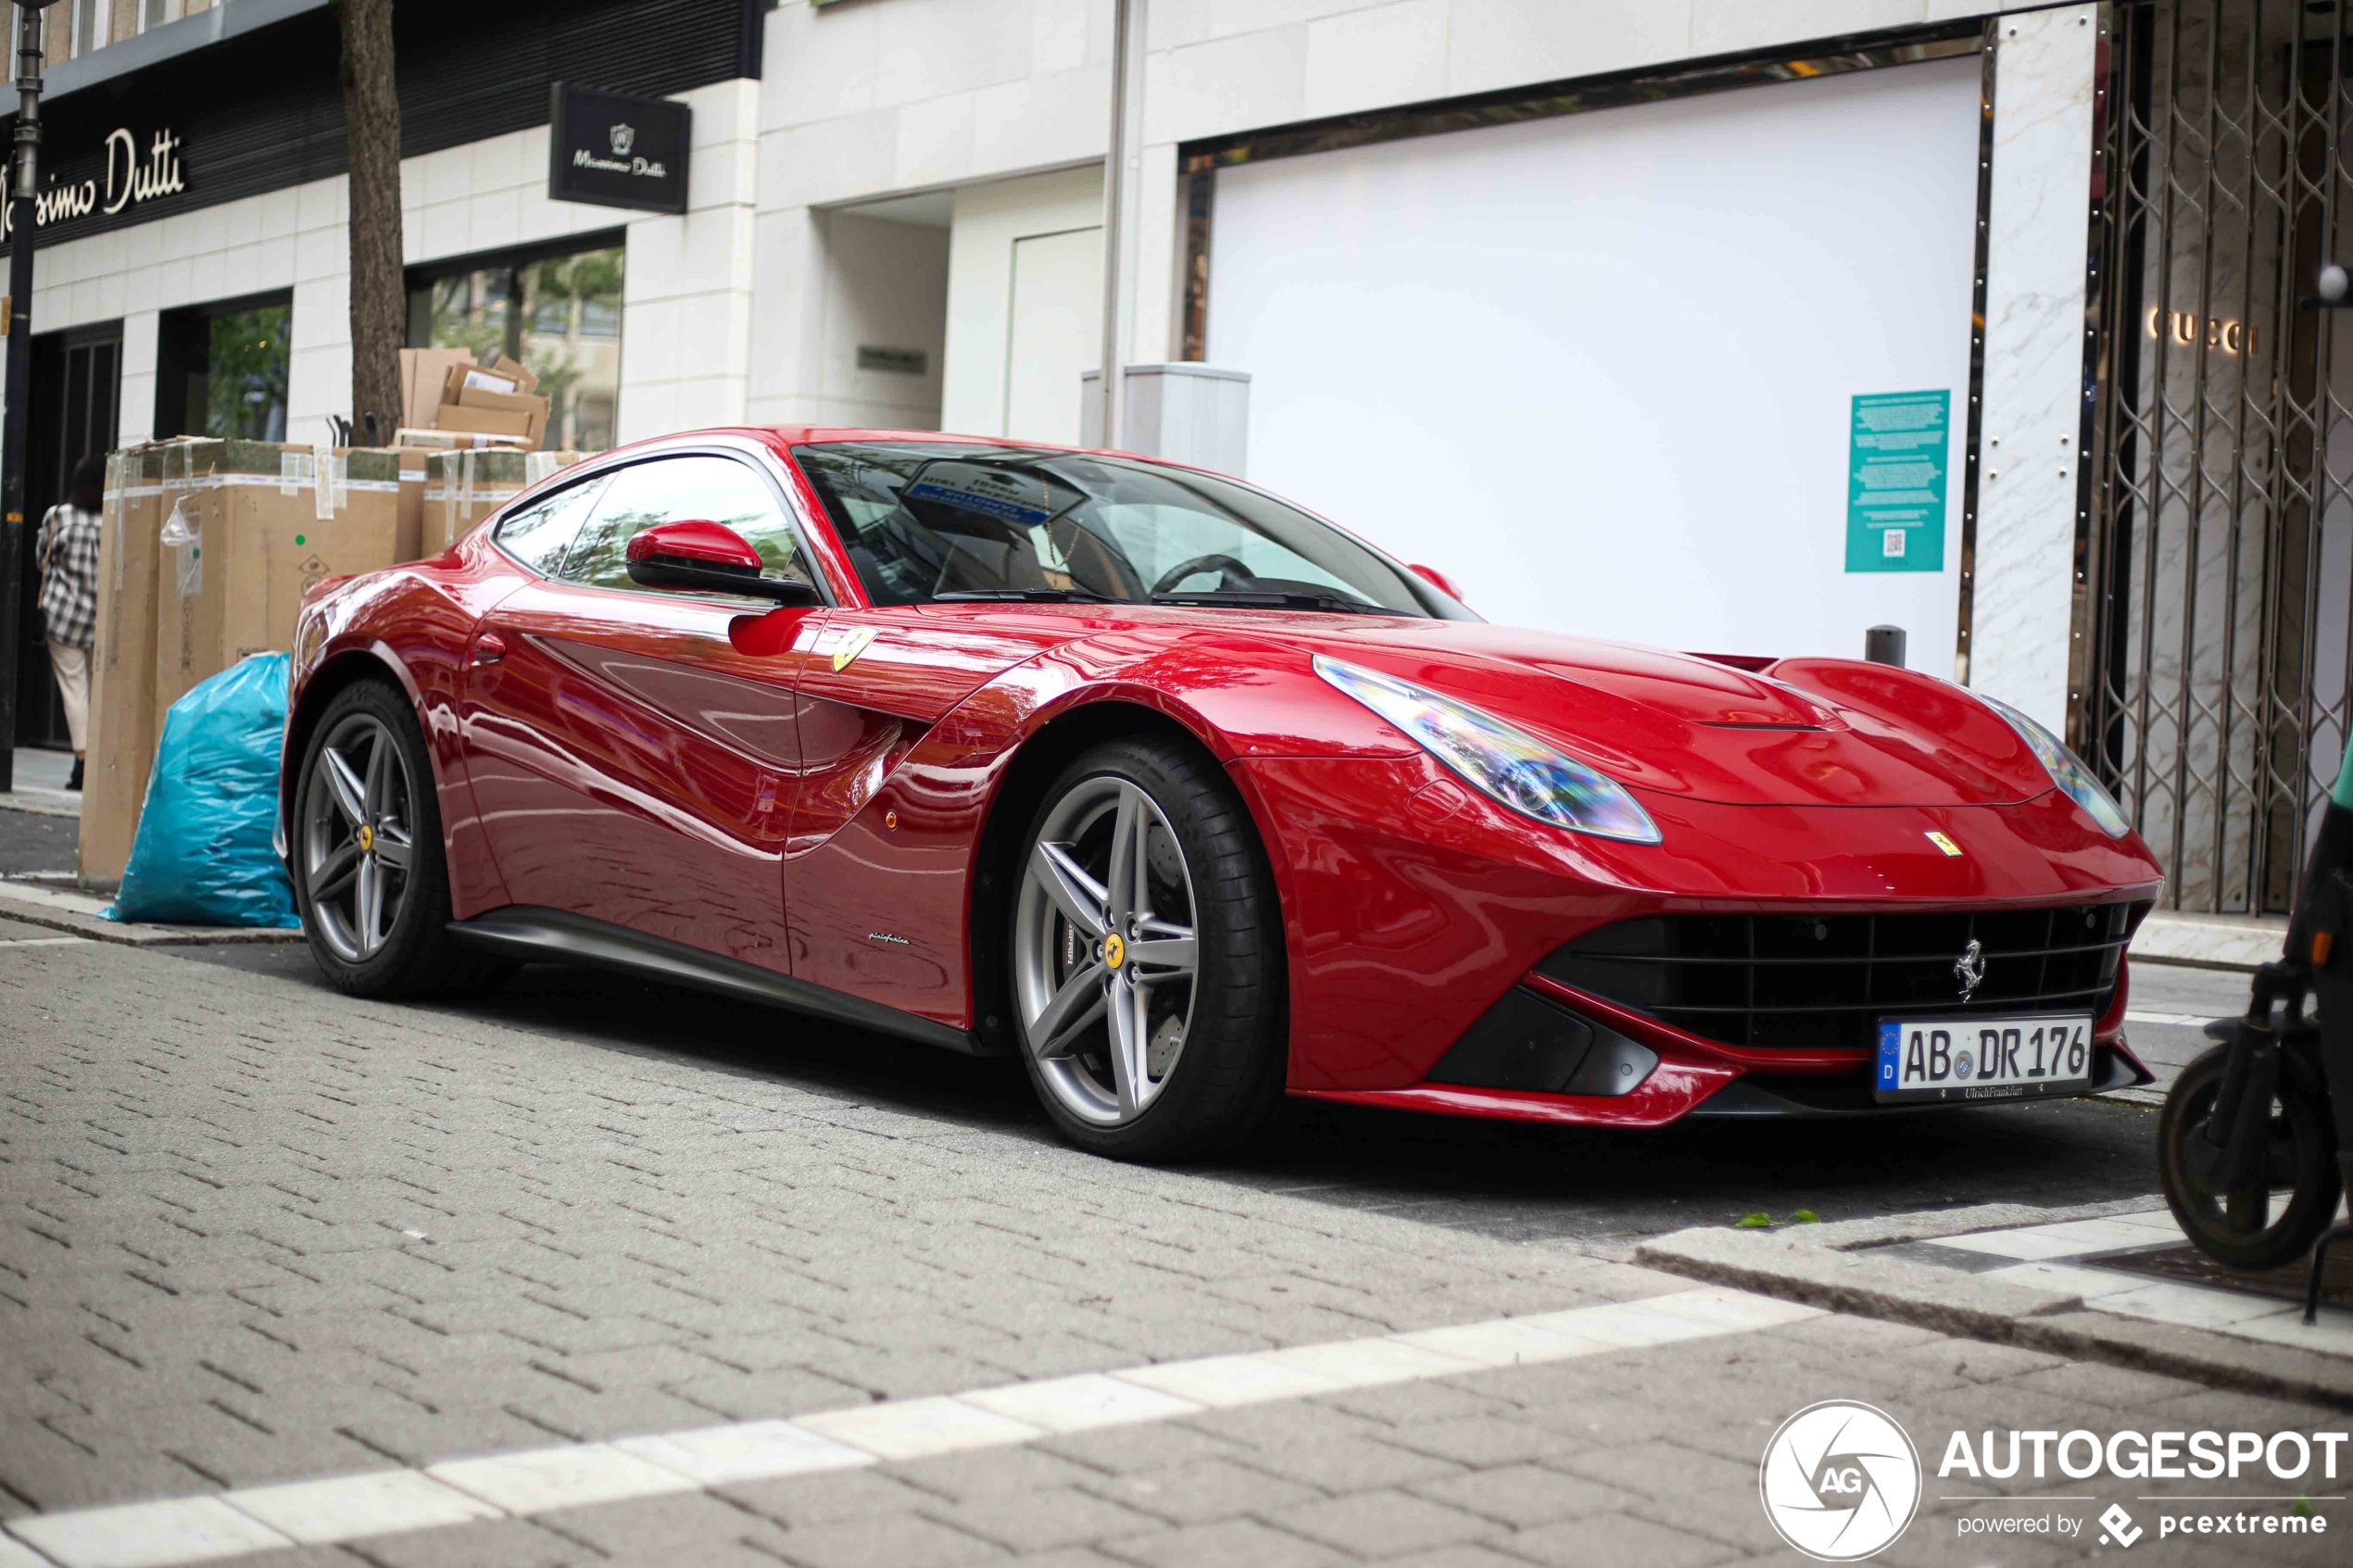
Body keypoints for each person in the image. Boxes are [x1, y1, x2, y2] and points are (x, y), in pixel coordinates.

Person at [35, 454, 104, 792]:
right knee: (96, 688)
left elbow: (41, 557)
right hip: (99, 618)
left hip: (63, 617)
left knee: (74, 689)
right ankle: (95, 763)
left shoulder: (58, 516)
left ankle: (82, 763)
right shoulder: (112, 519)